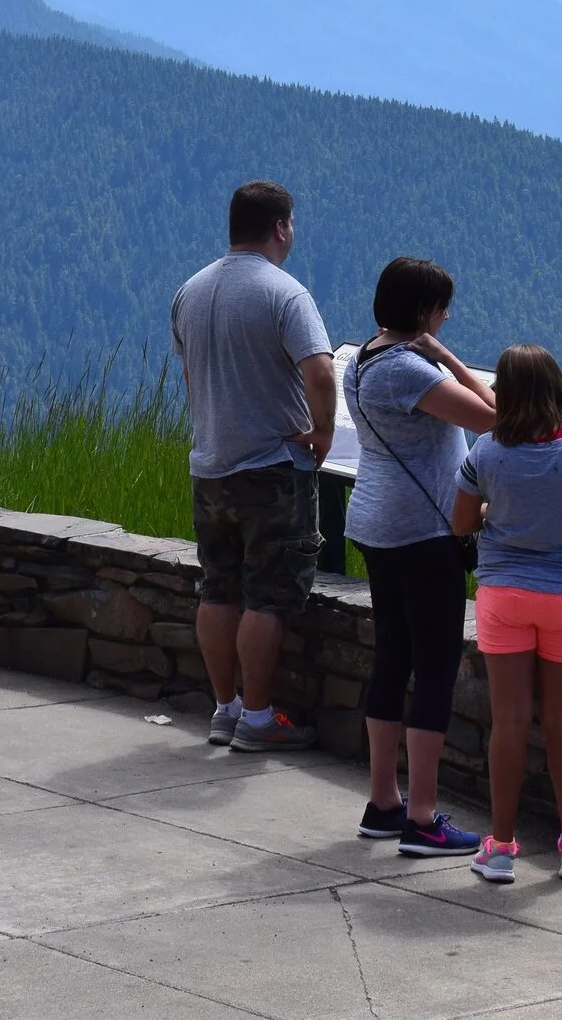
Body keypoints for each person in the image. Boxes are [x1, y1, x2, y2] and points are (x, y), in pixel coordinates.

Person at [452, 344, 562, 884]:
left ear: (506, 392)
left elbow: (462, 523)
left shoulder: (486, 452)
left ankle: (501, 848)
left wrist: (496, 510)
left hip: (504, 595)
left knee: (509, 721)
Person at [172, 180, 334, 752]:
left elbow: (190, 373)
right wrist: (323, 431)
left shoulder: (190, 291)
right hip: (271, 467)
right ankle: (260, 720)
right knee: (266, 595)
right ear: (280, 227)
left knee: (217, 588)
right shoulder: (285, 293)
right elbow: (320, 371)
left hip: (210, 464)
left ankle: (226, 709)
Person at [345, 257, 496, 856]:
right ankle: (424, 818)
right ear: (426, 312)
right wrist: (448, 357)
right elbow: (495, 419)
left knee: (392, 656)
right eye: (442, 309)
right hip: (423, 530)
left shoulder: (363, 358)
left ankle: (384, 803)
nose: (447, 316)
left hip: (375, 521)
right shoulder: (408, 370)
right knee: (434, 667)